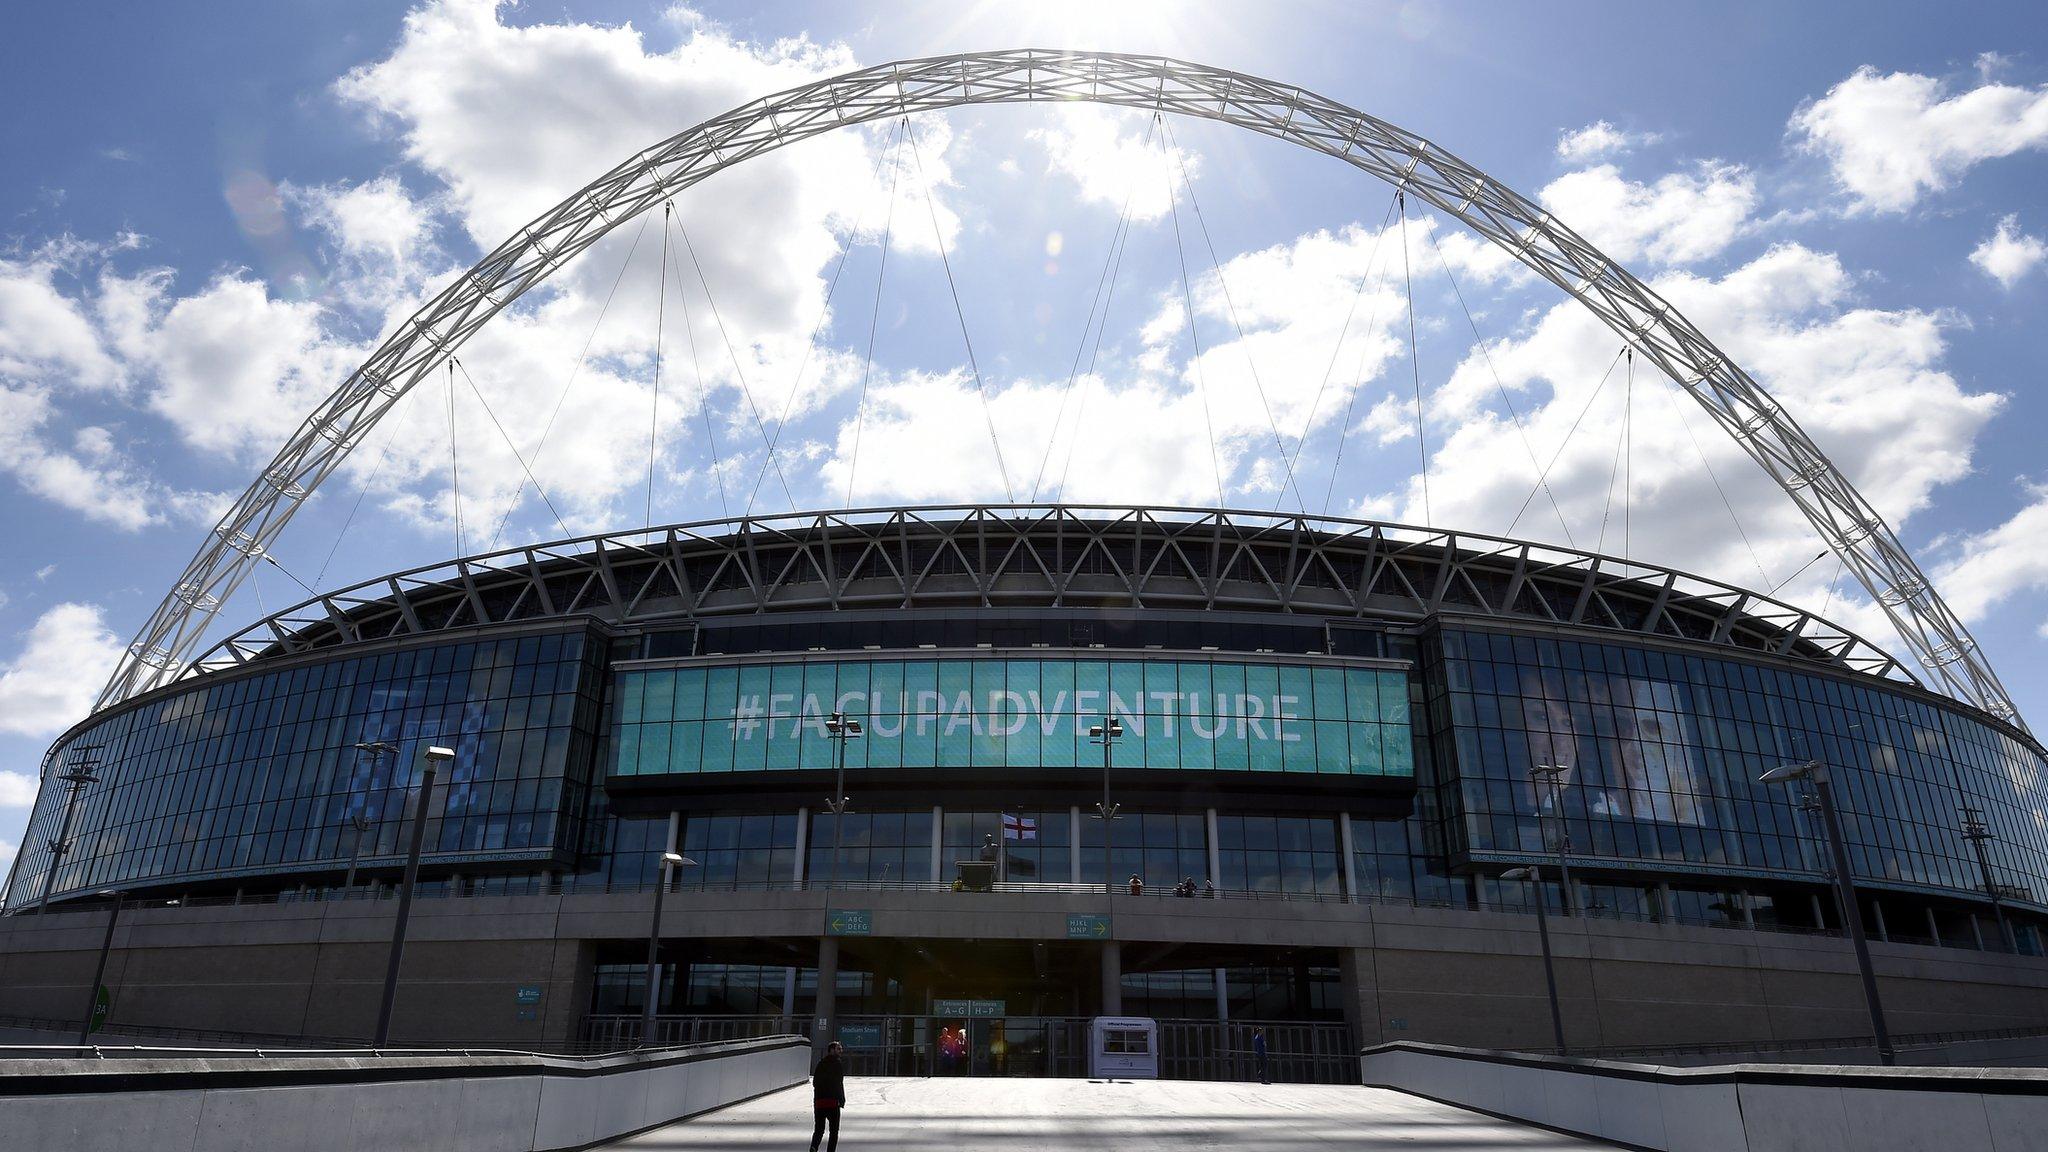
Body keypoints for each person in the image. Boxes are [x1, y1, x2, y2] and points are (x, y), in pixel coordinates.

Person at [811, 1041, 847, 1152]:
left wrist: (817, 1098)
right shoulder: (837, 1064)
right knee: (834, 1131)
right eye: (838, 1049)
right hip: (832, 1102)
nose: (841, 1051)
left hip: (819, 1102)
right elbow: (839, 1083)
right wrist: (842, 1099)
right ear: (831, 1050)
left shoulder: (821, 1063)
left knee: (819, 1130)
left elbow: (815, 1082)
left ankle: (814, 1147)